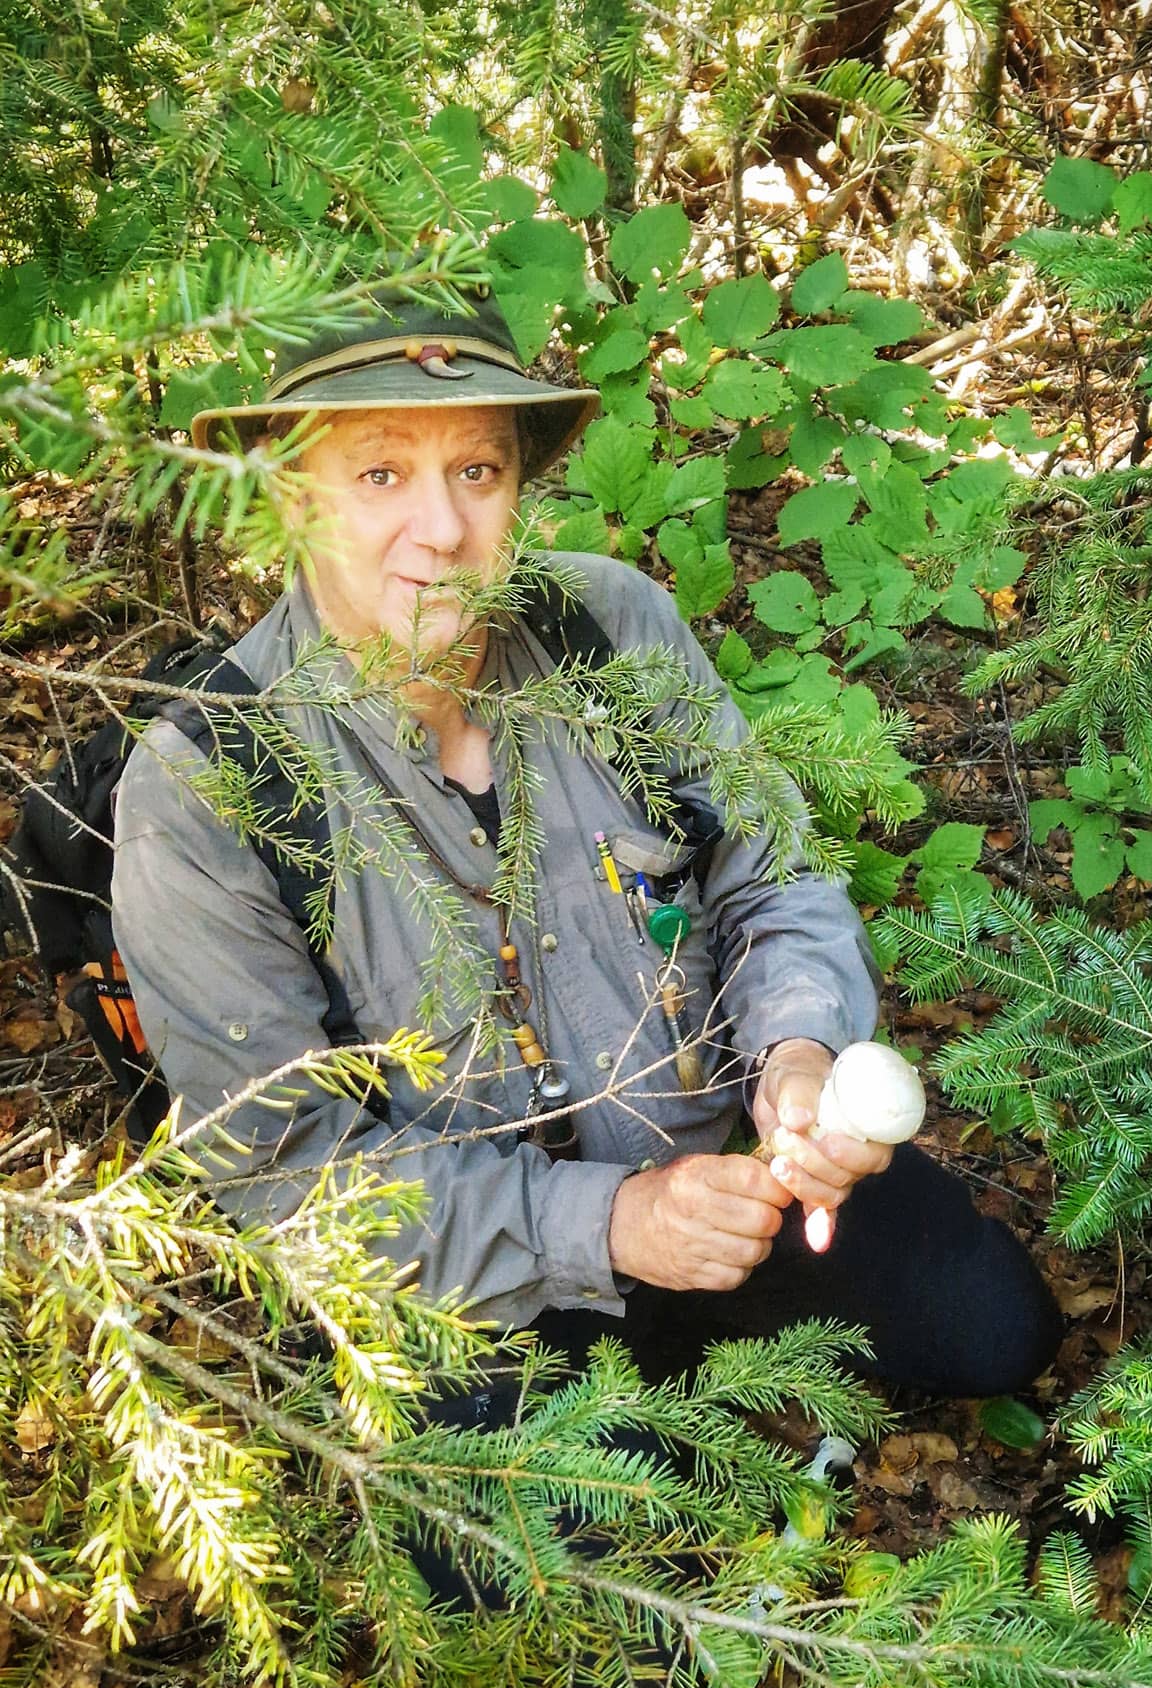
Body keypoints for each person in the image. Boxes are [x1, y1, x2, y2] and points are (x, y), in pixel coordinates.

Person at [111, 288, 1061, 1406]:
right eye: (380, 475)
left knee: (999, 1332)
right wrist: (609, 1221)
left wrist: (797, 1059)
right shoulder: (205, 782)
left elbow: (773, 880)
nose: (444, 530)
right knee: (585, 1555)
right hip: (471, 1280)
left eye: (478, 471)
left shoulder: (611, 628)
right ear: (288, 493)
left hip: (730, 1185)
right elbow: (282, 1166)